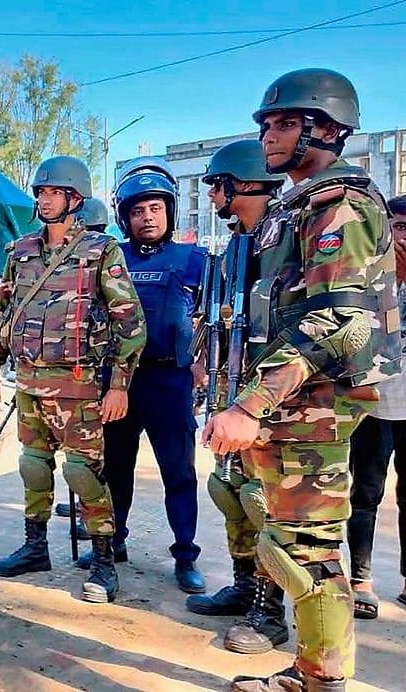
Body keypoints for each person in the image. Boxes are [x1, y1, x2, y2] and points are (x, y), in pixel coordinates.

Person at [207, 69, 402, 692]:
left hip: (312, 407)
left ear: (326, 129)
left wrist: (250, 403)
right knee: (291, 545)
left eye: (285, 122)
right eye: (266, 123)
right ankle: (313, 671)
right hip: (294, 406)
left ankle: (323, 682)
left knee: (305, 555)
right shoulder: (299, 209)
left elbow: (339, 318)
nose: (268, 134)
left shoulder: (341, 206)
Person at [0, 155, 146, 605]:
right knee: (33, 465)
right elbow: (0, 313)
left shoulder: (100, 251)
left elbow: (129, 321)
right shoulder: (21, 251)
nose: (44, 199)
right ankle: (35, 547)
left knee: (83, 472)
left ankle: (103, 561)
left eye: (53, 192)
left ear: (75, 198)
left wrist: (119, 385)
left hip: (80, 383)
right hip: (30, 380)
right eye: (40, 192)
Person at [73, 159, 208, 595]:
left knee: (179, 473)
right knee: (114, 470)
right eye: (137, 211)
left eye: (154, 208)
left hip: (171, 383)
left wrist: (206, 365)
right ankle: (112, 545)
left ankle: (186, 555)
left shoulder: (195, 260)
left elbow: (216, 319)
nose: (146, 217)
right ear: (123, 217)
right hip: (119, 383)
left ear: (168, 211)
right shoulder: (109, 258)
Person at [186, 140, 288, 647]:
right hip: (234, 390)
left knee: (261, 501)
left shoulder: (285, 241)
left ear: (243, 183)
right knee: (229, 492)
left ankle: (270, 611)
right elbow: (217, 317)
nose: (210, 196)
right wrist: (206, 364)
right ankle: (246, 587)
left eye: (215, 184)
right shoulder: (237, 246)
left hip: (274, 402)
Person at [345, 193, 406, 620]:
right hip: (373, 400)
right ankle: (361, 579)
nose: (403, 238)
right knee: (366, 491)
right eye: (398, 227)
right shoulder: (367, 278)